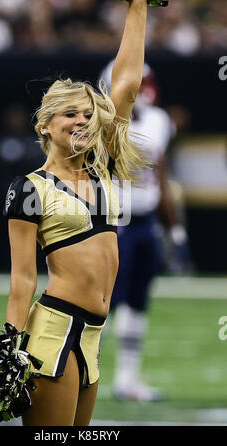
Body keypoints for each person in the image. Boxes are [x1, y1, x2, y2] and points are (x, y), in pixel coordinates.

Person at [3, 0, 148, 426]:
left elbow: (127, 85)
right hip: (54, 329)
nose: (83, 120)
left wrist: (138, 2)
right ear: (45, 125)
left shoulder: (101, 167)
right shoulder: (28, 188)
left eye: (88, 114)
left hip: (91, 334)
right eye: (70, 114)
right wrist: (8, 345)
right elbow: (23, 278)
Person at [99, 60, 189, 401]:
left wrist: (175, 231)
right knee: (101, 306)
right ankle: (80, 376)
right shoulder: (100, 123)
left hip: (146, 222)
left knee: (138, 302)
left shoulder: (158, 121)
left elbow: (162, 177)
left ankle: (127, 381)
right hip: (112, 223)